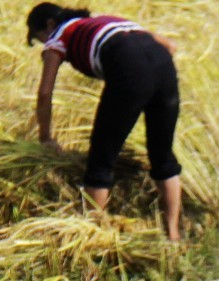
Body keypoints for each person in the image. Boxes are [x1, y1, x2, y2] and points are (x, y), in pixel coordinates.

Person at [26, 4, 183, 242]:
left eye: (39, 38)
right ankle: (173, 236)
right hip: (163, 66)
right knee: (162, 157)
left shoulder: (57, 37)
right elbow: (170, 46)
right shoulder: (106, 20)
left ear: (49, 24)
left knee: (101, 159)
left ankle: (93, 236)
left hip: (129, 67)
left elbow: (45, 93)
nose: (44, 44)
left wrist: (46, 138)